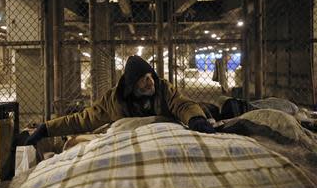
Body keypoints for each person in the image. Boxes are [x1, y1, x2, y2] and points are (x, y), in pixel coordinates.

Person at [26, 55, 214, 145]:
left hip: (163, 137)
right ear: (132, 85)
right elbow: (84, 119)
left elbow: (182, 104)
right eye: (143, 79)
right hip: (131, 141)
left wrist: (195, 118)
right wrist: (47, 128)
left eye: (151, 76)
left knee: (208, 110)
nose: (150, 82)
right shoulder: (114, 100)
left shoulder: (163, 88)